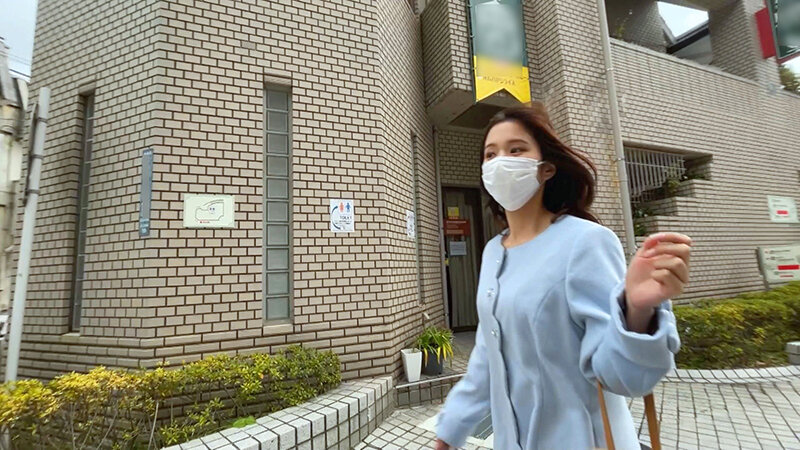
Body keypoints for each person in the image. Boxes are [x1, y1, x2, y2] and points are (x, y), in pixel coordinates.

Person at [434, 105, 689, 450]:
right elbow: (487, 355)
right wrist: (451, 429)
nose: (500, 162)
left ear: (546, 169)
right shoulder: (493, 251)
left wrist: (637, 310)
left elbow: (623, 377)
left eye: (516, 149)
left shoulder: (585, 241)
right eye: (490, 154)